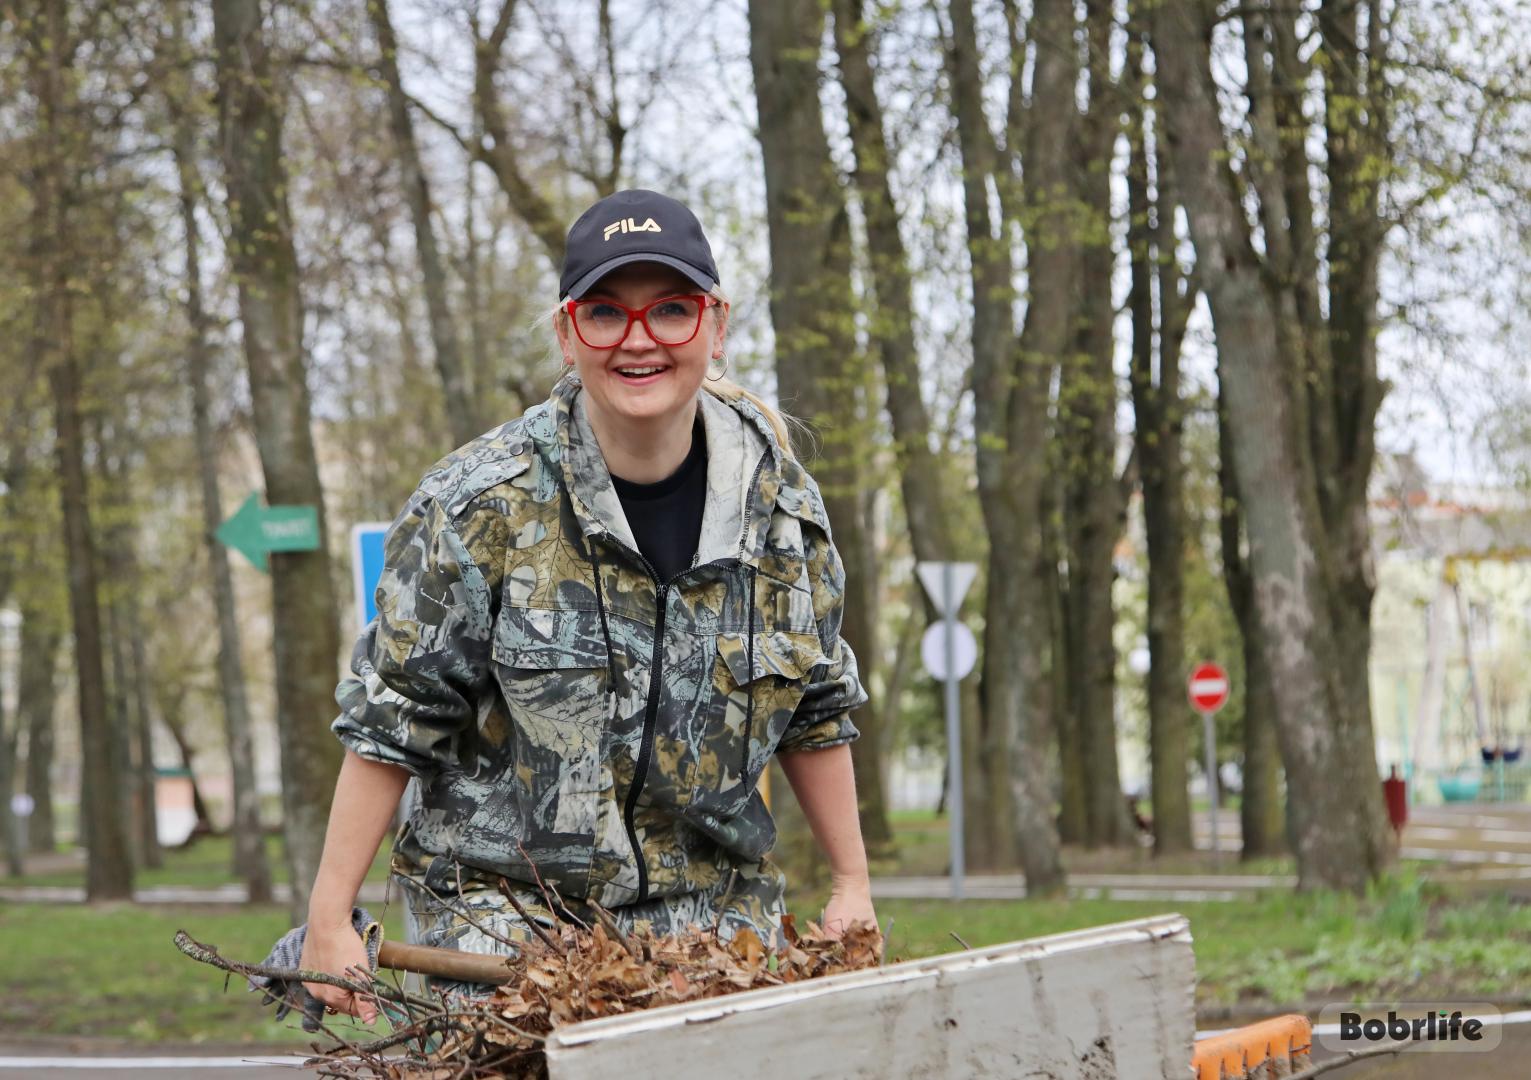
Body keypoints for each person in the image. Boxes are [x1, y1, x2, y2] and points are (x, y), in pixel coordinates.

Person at [299, 189, 878, 1022]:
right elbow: (392, 718)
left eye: (671, 310)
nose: (639, 340)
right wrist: (329, 917)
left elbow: (816, 709)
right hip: (499, 908)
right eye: (607, 313)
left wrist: (852, 886)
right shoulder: (477, 507)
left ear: (715, 325)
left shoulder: (783, 517)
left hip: (707, 915)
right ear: (569, 333)